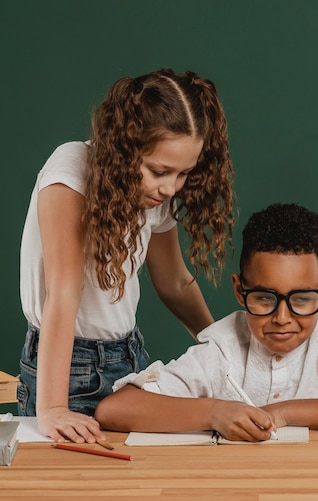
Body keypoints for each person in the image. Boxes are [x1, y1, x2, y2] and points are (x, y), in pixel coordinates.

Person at [19, 68, 235, 443]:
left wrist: (219, 347)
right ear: (125, 147)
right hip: (68, 371)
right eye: (159, 171)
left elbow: (174, 283)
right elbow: (63, 294)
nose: (170, 188)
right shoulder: (70, 171)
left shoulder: (152, 197)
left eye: (183, 174)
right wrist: (53, 408)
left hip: (131, 358)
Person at [95, 203, 318, 440]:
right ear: (239, 289)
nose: (282, 318)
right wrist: (215, 412)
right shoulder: (222, 348)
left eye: (302, 299)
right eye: (264, 298)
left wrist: (285, 412)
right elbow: (115, 410)